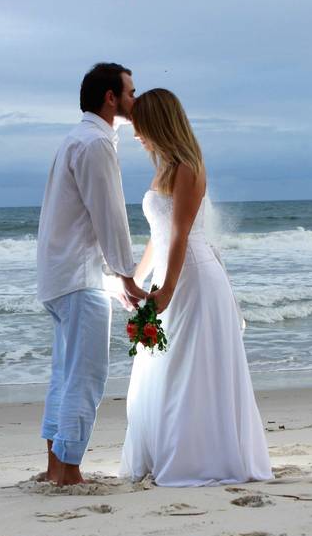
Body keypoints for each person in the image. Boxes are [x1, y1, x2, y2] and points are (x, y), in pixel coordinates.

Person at [119, 88, 273, 486]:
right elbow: (160, 235)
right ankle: (167, 452)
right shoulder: (164, 169)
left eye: (141, 127)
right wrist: (136, 279)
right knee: (162, 368)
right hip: (168, 273)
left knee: (188, 369)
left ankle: (197, 459)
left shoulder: (188, 166)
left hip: (194, 279)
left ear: (160, 123)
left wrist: (167, 290)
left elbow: (182, 234)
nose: (137, 135)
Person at [36, 62, 148, 485]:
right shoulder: (96, 144)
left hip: (59, 274)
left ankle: (55, 467)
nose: (134, 100)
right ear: (110, 97)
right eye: (130, 92)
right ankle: (69, 471)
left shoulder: (74, 139)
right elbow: (109, 215)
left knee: (65, 374)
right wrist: (126, 274)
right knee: (87, 375)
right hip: (79, 276)